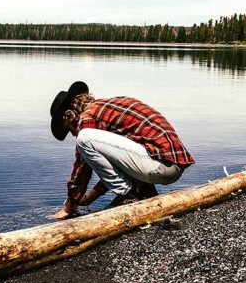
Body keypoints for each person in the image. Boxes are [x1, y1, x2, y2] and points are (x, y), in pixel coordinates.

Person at [50, 81, 195, 220]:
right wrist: (88, 198)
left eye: (67, 128)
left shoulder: (87, 118)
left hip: (160, 166)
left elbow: (81, 168)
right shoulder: (107, 106)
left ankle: (128, 197)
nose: (71, 133)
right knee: (94, 141)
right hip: (169, 165)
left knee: (84, 139)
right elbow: (116, 166)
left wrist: (70, 206)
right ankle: (145, 193)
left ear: (69, 115)